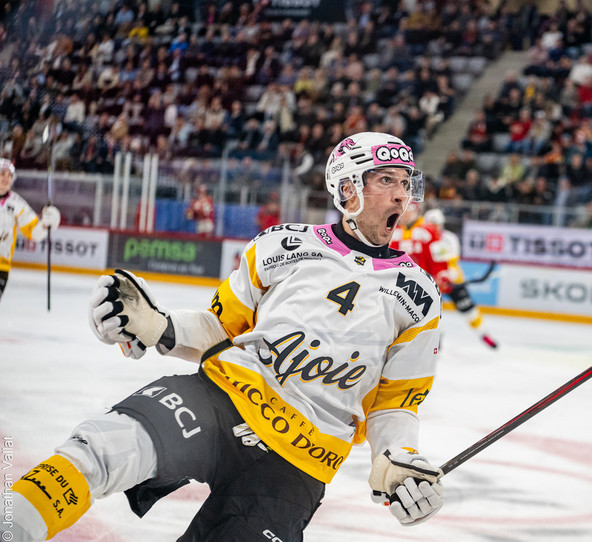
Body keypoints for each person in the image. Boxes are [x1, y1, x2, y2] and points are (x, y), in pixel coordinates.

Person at [5, 132, 444, 541]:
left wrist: (398, 460)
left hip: (301, 462)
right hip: (221, 398)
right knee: (100, 448)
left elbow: (396, 403)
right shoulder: (282, 245)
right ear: (348, 188)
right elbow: (220, 328)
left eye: (405, 183)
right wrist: (158, 326)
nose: (402, 195)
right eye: (386, 180)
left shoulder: (419, 296)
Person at [391, 204, 498, 349]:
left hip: (451, 281)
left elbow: (447, 261)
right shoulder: (413, 232)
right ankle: (436, 337)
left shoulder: (448, 238)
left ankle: (483, 334)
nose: (436, 226)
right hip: (431, 281)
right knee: (431, 312)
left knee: (468, 309)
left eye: (438, 224)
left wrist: (445, 276)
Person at [0, 158, 61, 304]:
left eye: (9, 175)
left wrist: (45, 224)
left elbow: (34, 233)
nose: (6, 178)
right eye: (2, 174)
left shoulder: (17, 204)